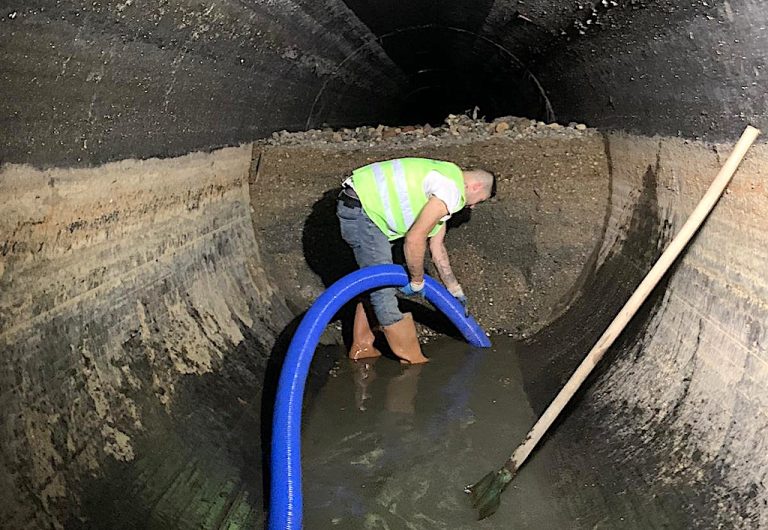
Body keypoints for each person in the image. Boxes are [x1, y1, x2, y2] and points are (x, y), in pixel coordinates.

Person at [336, 157, 496, 364]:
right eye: (480, 200)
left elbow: (437, 248)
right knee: (383, 288)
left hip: (361, 206)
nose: (473, 207)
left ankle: (363, 347)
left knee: (377, 282)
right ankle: (414, 361)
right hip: (362, 211)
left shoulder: (447, 177)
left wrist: (454, 289)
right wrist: (417, 279)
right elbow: (414, 239)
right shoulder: (450, 191)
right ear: (476, 186)